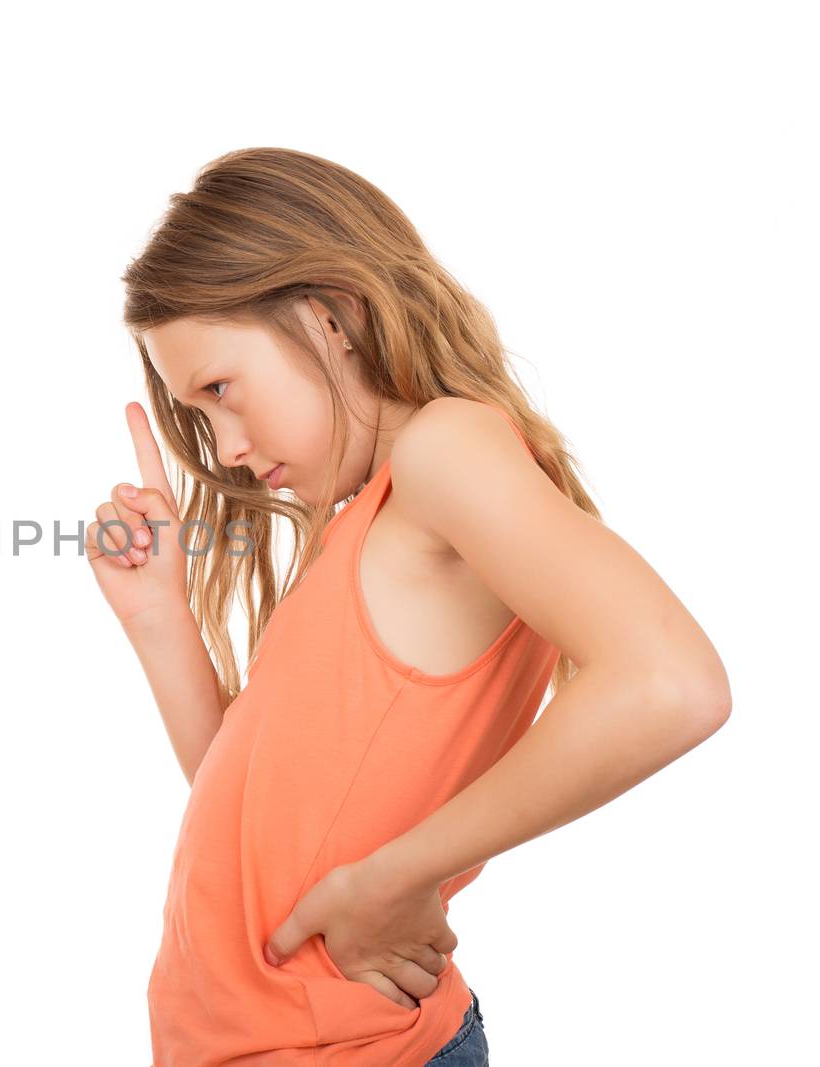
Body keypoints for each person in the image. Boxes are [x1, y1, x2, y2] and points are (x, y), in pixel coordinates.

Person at [88, 148, 731, 1066]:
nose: (224, 447)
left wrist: (398, 876)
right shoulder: (370, 518)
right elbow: (260, 823)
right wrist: (159, 616)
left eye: (221, 390)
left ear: (330, 317)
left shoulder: (444, 451)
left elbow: (673, 683)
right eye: (199, 416)